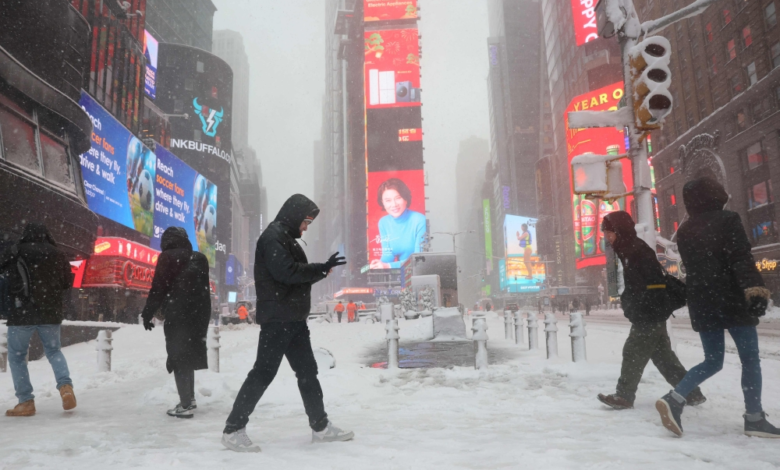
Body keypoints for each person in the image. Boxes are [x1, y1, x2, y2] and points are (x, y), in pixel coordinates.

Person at [222, 194, 353, 452]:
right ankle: (233, 429)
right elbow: (287, 273)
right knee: (263, 372)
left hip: (293, 319)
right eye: (305, 222)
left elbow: (294, 275)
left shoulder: (284, 238)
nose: (305, 228)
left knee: (308, 372)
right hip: (279, 320)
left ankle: (320, 427)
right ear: (294, 216)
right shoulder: (273, 237)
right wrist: (319, 268)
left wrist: (321, 270)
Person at [655, 178, 779, 438]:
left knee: (712, 360)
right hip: (732, 299)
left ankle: (675, 398)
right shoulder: (728, 219)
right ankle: (754, 418)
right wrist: (754, 289)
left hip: (703, 301)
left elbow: (694, 266)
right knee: (750, 359)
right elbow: (740, 258)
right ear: (715, 195)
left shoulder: (686, 229)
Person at [597, 211, 706, 411]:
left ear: (618, 231)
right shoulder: (627, 249)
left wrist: (640, 307)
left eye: (608, 232)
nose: (607, 236)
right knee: (663, 357)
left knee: (633, 351)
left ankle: (624, 395)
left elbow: (653, 284)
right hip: (651, 311)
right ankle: (691, 393)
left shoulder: (637, 250)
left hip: (649, 314)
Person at [0, 223, 76, 417]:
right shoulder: (58, 254)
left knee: (17, 357)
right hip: (50, 314)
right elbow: (68, 282)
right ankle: (65, 387)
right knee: (53, 351)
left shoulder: (16, 251)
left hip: (21, 313)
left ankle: (26, 401)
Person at [141, 227, 211, 419]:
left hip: (179, 314)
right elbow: (204, 290)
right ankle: (190, 398)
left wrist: (147, 313)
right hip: (199, 315)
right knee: (188, 354)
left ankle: (185, 404)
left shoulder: (168, 257)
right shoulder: (200, 258)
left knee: (178, 356)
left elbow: (158, 288)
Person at [370, 178, 427, 269]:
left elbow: (418, 260)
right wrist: (379, 264)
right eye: (388, 200)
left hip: (418, 274)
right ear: (383, 203)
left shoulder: (419, 220)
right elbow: (387, 255)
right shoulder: (383, 223)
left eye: (398, 198)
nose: (394, 204)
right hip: (400, 274)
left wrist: (387, 266)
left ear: (406, 199)